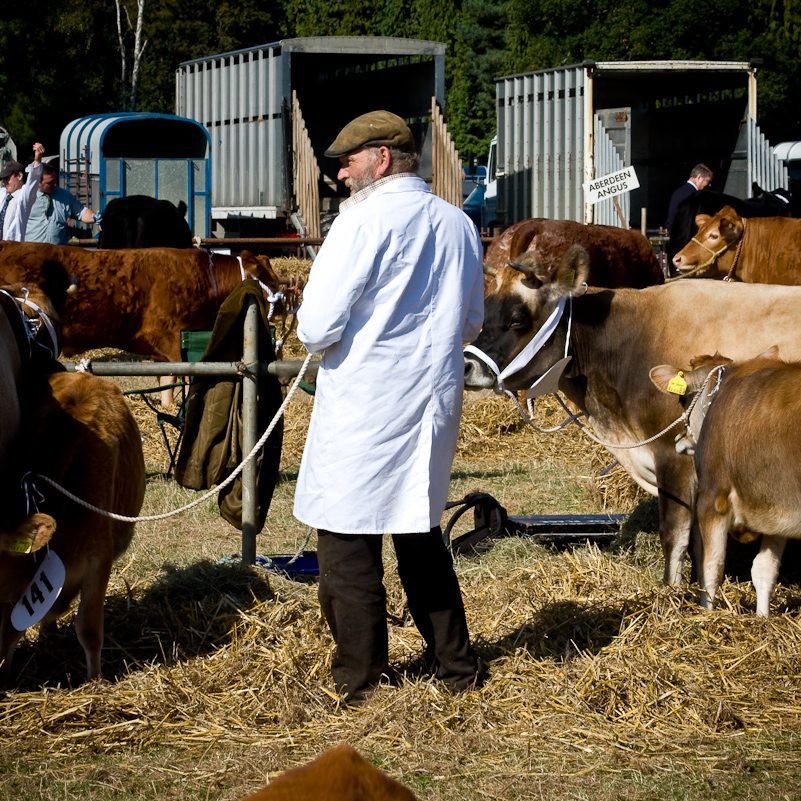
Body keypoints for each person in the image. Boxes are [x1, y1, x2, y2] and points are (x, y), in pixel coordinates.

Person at [293, 110, 486, 702]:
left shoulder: (359, 225)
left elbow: (316, 327)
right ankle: (456, 668)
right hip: (431, 403)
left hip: (366, 406)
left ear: (381, 158)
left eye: (348, 160)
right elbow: (473, 321)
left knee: (348, 541)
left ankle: (359, 680)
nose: (341, 172)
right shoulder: (459, 225)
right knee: (418, 532)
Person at [25, 162, 98, 245]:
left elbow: (81, 212)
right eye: (49, 183)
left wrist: (94, 217)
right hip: (32, 251)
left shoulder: (65, 196)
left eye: (55, 180)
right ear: (38, 182)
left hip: (58, 252)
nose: (55, 184)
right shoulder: (26, 197)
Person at [0, 143, 44, 241]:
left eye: (7, 178)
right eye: (3, 179)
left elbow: (33, 181)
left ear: (19, 176)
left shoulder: (23, 196)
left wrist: (37, 161)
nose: (5, 182)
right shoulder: (3, 194)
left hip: (13, 249)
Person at [665, 163, 714, 233]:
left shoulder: (680, 192)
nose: (709, 185)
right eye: (708, 181)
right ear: (699, 177)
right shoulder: (694, 195)